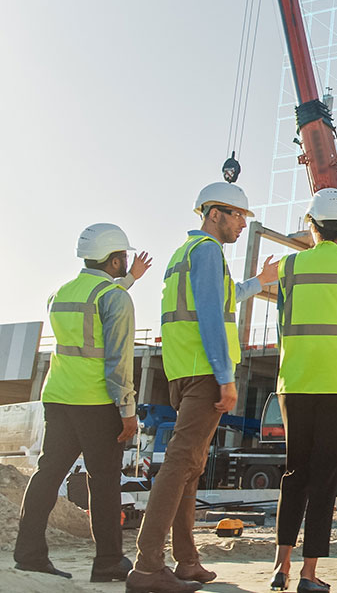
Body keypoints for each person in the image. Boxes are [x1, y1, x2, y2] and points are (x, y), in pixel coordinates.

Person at [127, 182, 278, 593]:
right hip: (205, 373)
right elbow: (212, 316)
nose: (243, 224)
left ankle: (186, 561)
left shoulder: (187, 253)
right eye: (238, 215)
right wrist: (226, 378)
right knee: (179, 466)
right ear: (215, 214)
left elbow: (222, 299)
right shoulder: (209, 252)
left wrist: (259, 281)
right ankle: (147, 567)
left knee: (189, 469)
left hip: (183, 372)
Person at [15, 223, 152, 582]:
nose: (126, 262)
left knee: (48, 474)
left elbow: (96, 303)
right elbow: (118, 362)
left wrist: (130, 280)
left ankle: (28, 554)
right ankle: (108, 562)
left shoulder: (59, 293)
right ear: (113, 259)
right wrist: (127, 411)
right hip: (97, 402)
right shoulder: (116, 298)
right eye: (123, 257)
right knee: (104, 481)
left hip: (58, 398)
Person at [269, 188, 337, 593]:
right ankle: (308, 574)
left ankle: (279, 567)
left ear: (311, 225)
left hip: (295, 379)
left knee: (294, 471)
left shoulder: (289, 266)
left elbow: (284, 311)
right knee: (325, 477)